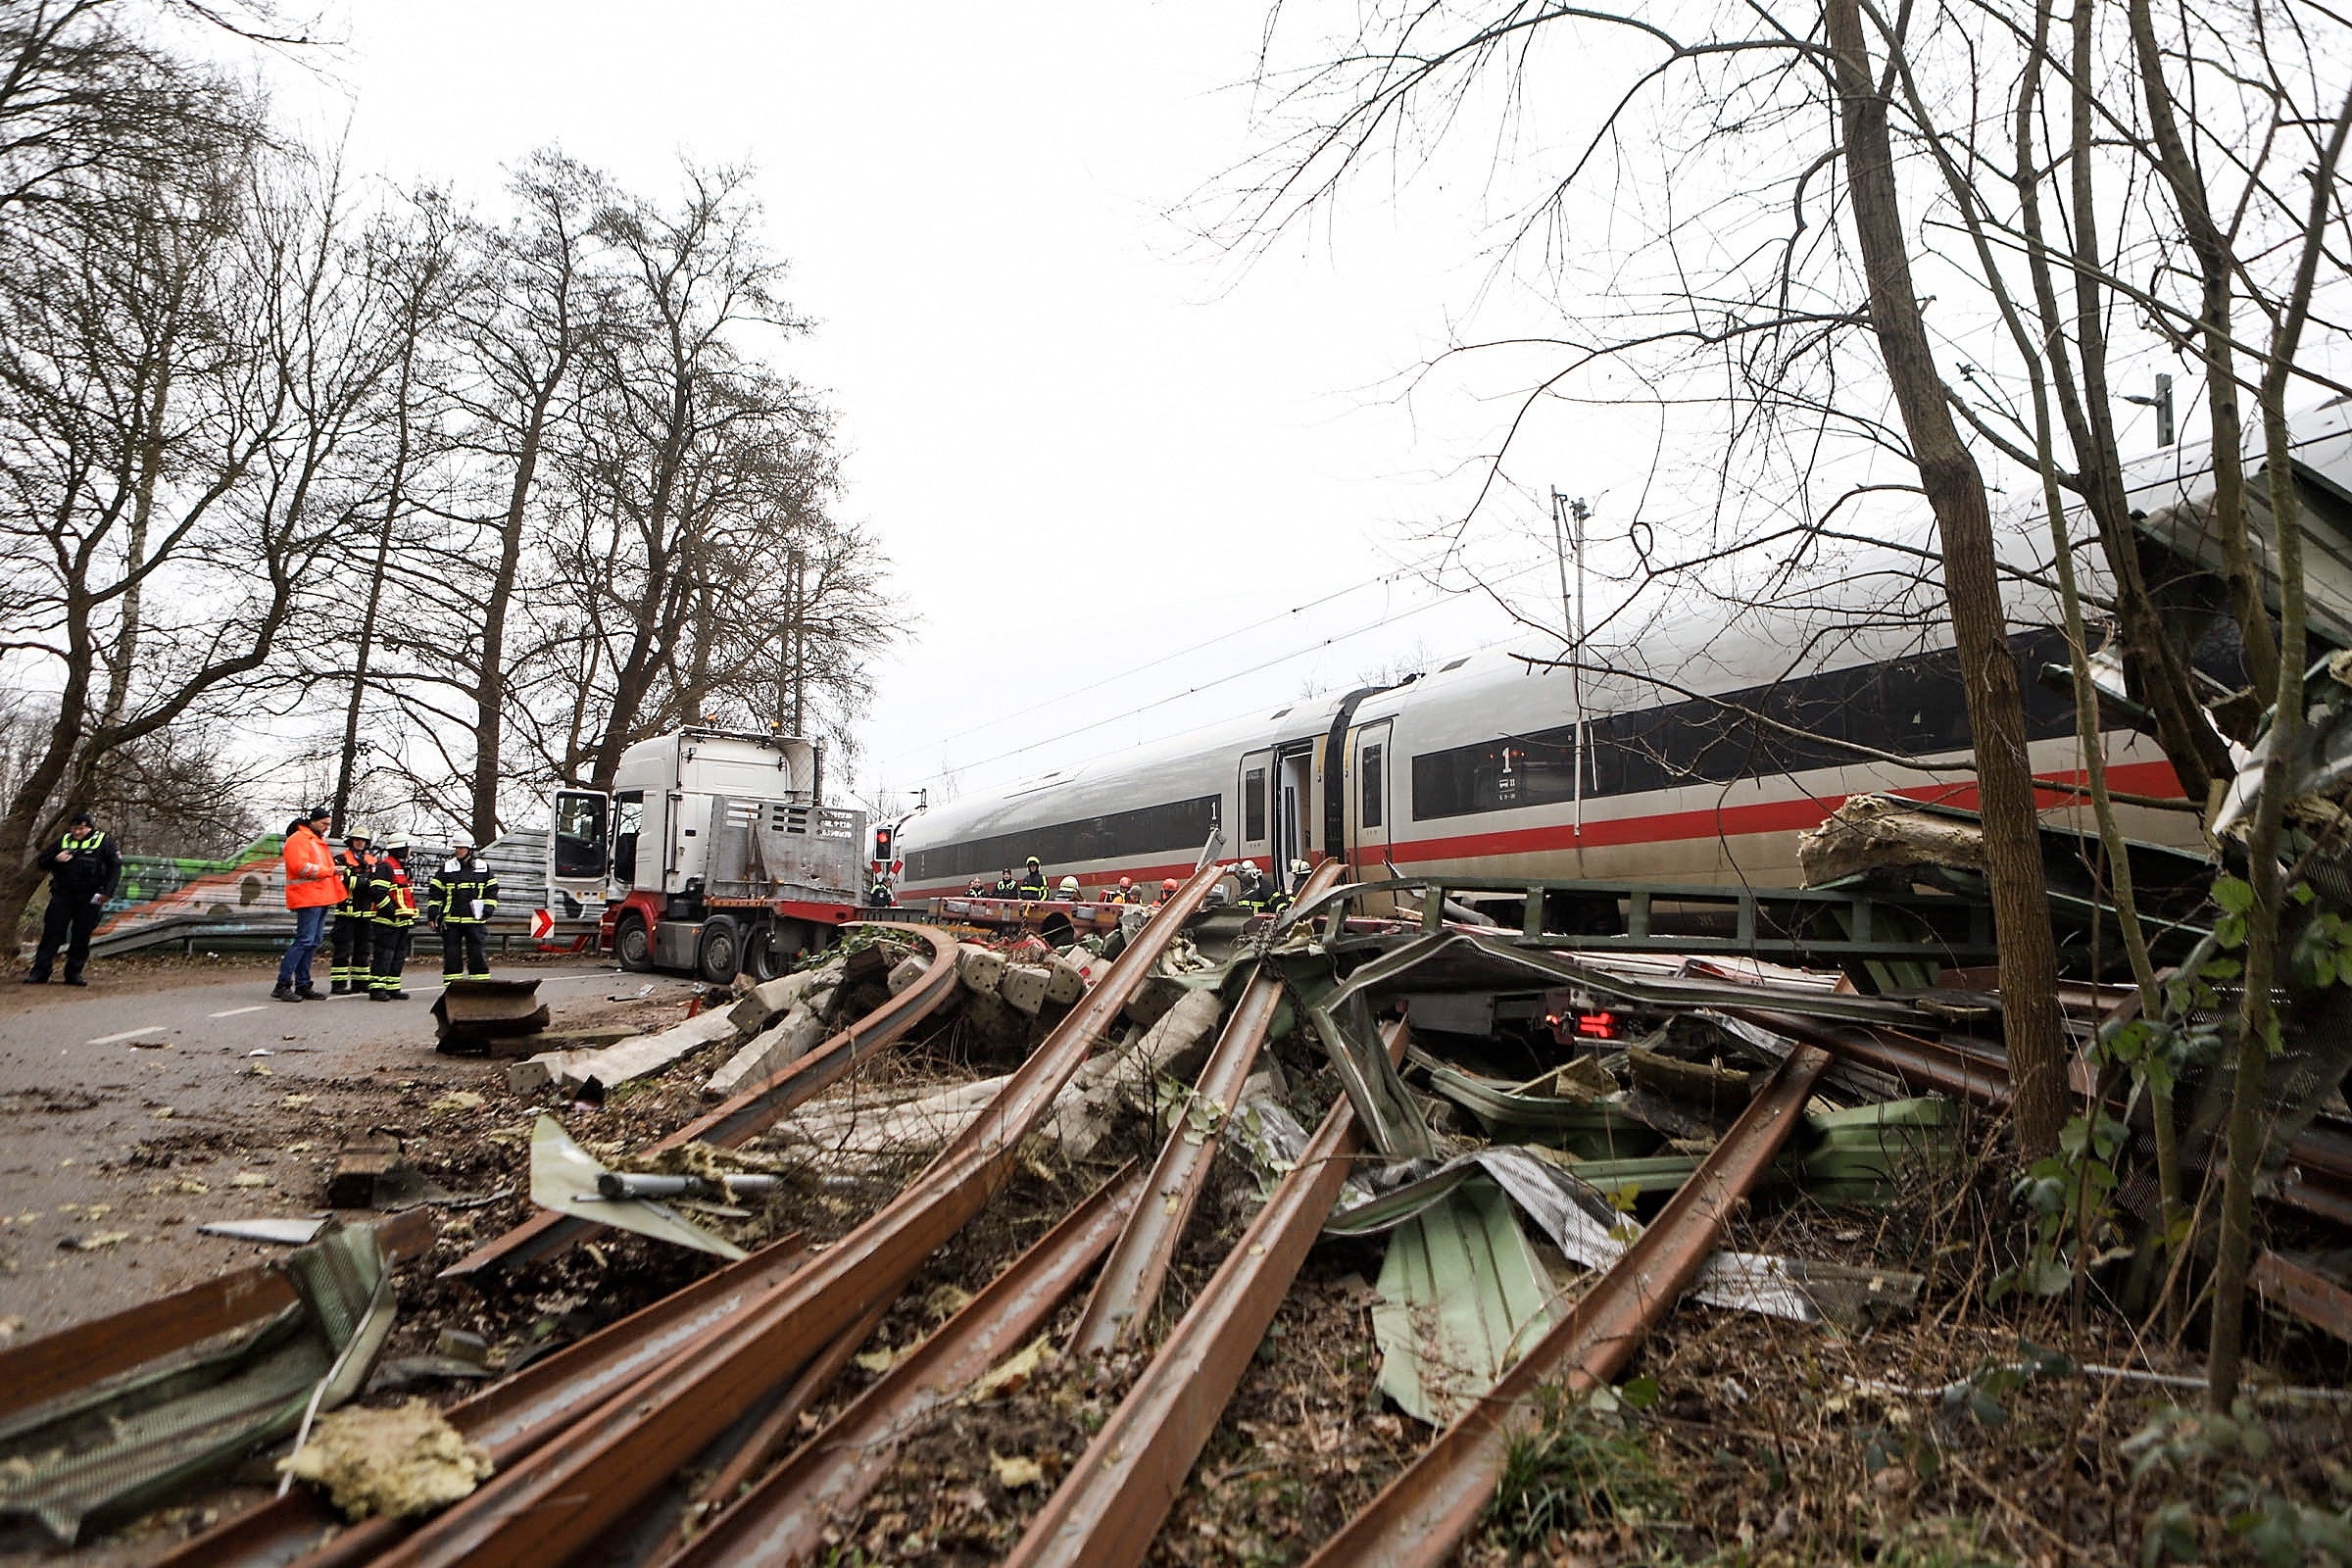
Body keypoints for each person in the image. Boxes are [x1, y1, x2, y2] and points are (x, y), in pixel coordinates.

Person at [23, 808, 121, 986]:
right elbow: (42, 862)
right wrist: (56, 858)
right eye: (75, 828)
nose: (77, 832)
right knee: (51, 934)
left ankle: (74, 974)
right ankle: (40, 973)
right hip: (63, 895)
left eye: (82, 829)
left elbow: (115, 869)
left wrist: (106, 894)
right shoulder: (63, 841)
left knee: (82, 936)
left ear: (90, 828)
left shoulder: (104, 842)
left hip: (92, 896)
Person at [275, 807, 343, 1002]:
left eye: (328, 824)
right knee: (305, 940)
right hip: (308, 897)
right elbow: (301, 868)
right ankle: (283, 984)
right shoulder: (299, 840)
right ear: (312, 821)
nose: (326, 828)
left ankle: (303, 984)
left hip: (318, 897)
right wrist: (331, 871)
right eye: (324, 823)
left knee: (312, 941)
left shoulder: (314, 840)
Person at [426, 834, 499, 984]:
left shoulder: (482, 867)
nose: (458, 851)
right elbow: (435, 893)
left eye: (461, 848)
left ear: (470, 849)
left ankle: (480, 985)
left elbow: (492, 890)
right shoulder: (447, 868)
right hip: (451, 921)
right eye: (456, 848)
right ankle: (453, 988)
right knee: (452, 955)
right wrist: (432, 916)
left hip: (475, 920)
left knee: (477, 954)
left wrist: (488, 909)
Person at [365, 834, 418, 1001]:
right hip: (386, 921)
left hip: (401, 921)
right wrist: (392, 911)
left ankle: (392, 987)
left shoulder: (401, 868)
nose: (410, 852)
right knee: (384, 954)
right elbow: (377, 892)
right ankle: (377, 988)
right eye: (408, 848)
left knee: (398, 954)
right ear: (401, 849)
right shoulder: (385, 867)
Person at [328, 827, 380, 996]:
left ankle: (360, 982)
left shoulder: (373, 861)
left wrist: (361, 881)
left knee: (363, 949)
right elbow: (345, 882)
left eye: (362, 840)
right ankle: (339, 984)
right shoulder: (341, 859)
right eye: (356, 839)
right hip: (346, 913)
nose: (359, 842)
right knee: (343, 949)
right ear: (351, 841)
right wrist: (365, 881)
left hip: (366, 913)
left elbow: (377, 883)